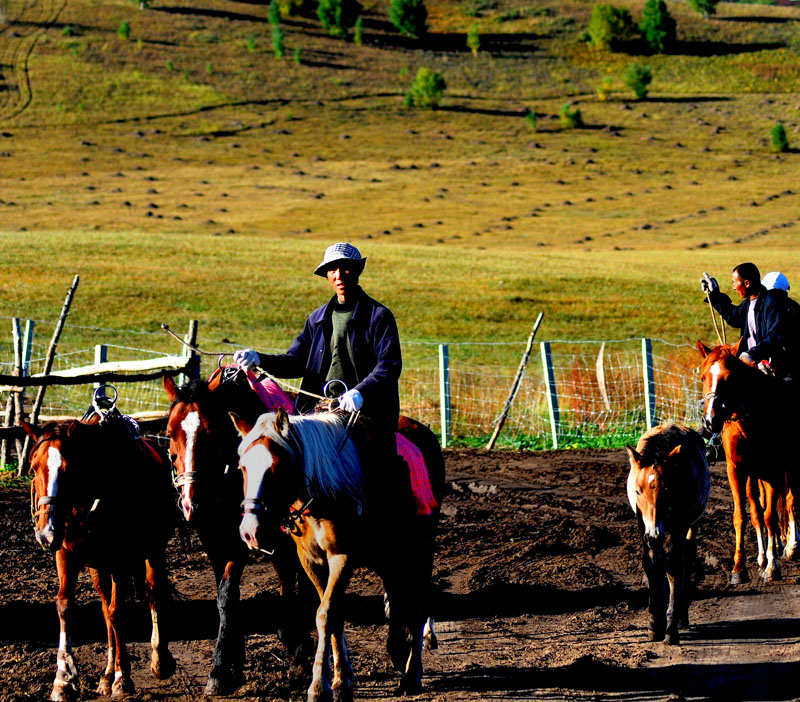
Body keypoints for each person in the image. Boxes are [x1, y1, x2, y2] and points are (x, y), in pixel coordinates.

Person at [233, 242, 411, 511]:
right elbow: (295, 361)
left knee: (381, 471)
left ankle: (391, 523)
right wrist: (259, 359)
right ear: (327, 275)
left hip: (365, 413)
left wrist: (361, 392)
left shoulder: (379, 316)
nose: (339, 275)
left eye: (346, 269)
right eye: (333, 270)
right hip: (318, 410)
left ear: (357, 271)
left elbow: (389, 364)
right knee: (288, 460)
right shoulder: (317, 318)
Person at [701, 262, 792, 377]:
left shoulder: (771, 304)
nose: (733, 287)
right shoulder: (749, 303)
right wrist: (714, 294)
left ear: (747, 283)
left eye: (734, 282)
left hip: (773, 371)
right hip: (752, 368)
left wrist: (752, 354)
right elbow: (734, 317)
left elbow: (775, 336)